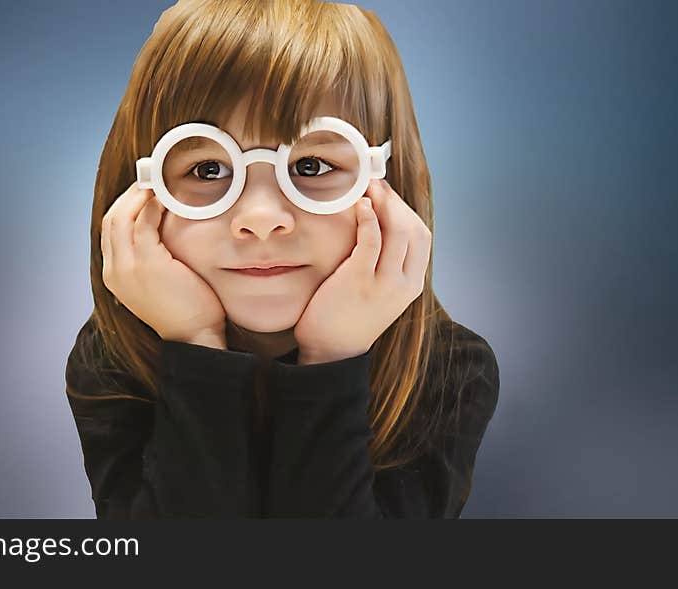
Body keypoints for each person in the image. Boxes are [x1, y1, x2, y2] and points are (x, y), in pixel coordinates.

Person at [65, 0, 500, 518]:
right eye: (207, 170)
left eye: (312, 164)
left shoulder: (447, 370)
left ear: (388, 186)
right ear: (139, 195)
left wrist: (334, 357)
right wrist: (196, 347)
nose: (262, 217)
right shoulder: (112, 360)